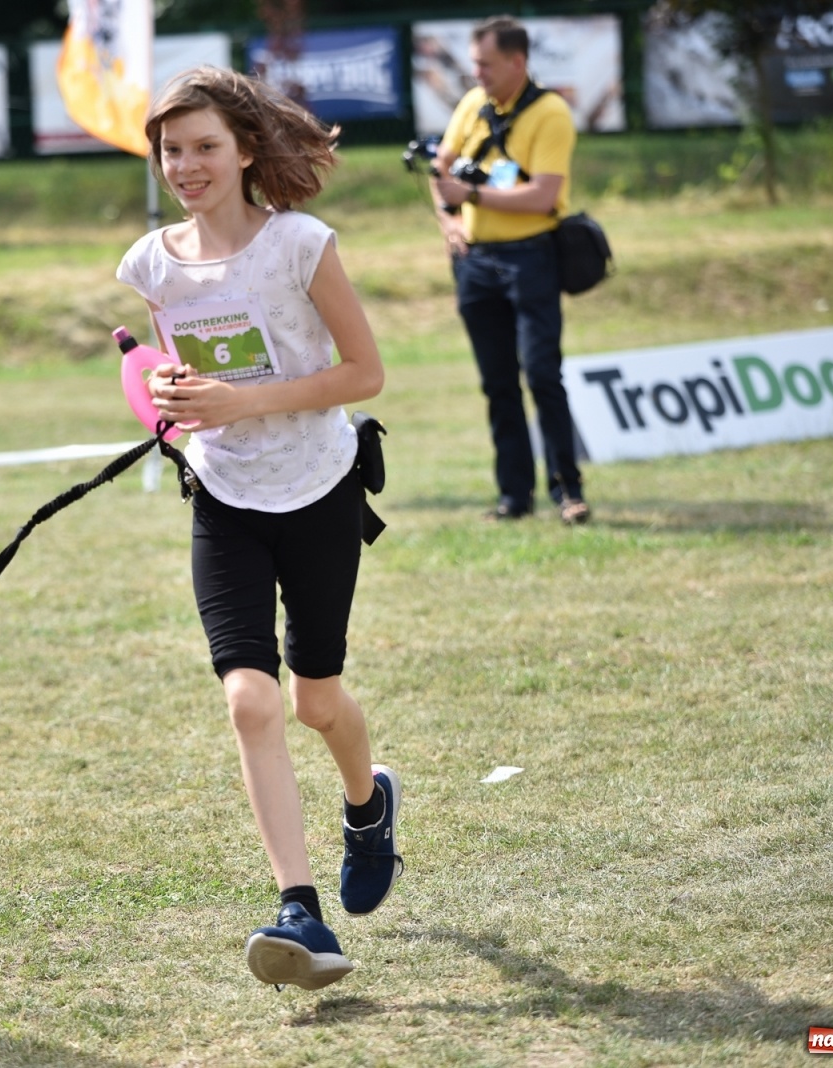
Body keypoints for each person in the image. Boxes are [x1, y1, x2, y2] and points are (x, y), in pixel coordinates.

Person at [115, 66, 402, 991]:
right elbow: (175, 369)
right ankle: (299, 911)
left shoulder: (301, 245)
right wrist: (168, 391)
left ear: (245, 149)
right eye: (172, 151)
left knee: (317, 699)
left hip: (319, 487)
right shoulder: (149, 263)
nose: (187, 166)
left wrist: (247, 398)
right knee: (251, 699)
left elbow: (363, 374)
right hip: (224, 496)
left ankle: (369, 806)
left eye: (205, 147)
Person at [428, 15, 590, 524]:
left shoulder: (550, 113)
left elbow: (544, 195)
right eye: (474, 63)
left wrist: (471, 194)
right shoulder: (472, 105)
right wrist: (449, 219)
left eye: (485, 64)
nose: (476, 73)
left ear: (517, 62)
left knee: (543, 374)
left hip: (531, 257)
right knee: (498, 383)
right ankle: (513, 497)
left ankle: (568, 488)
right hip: (475, 262)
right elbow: (440, 169)